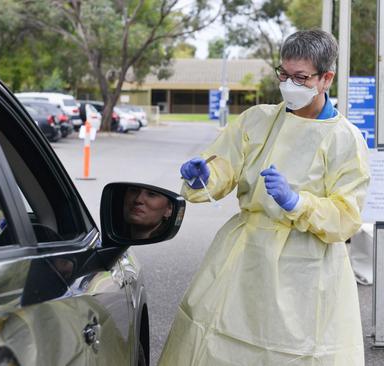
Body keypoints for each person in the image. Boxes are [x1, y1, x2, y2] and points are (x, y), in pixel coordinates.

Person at [158, 30, 370, 366]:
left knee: (294, 353)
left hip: (305, 269)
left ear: (326, 78)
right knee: (217, 339)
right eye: (283, 74)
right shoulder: (257, 120)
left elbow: (346, 217)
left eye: (300, 77)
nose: (289, 84)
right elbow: (223, 167)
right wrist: (203, 177)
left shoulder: (345, 139)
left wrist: (298, 203)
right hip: (244, 257)